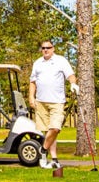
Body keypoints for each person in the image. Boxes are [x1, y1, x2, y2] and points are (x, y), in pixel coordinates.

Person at [28, 40, 79, 169]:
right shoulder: (37, 63)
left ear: (53, 48)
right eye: (43, 48)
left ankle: (42, 150)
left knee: (55, 129)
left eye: (48, 48)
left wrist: (73, 84)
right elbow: (32, 82)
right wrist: (31, 97)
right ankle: (54, 159)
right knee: (48, 132)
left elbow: (71, 75)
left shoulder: (61, 60)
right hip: (41, 101)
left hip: (57, 101)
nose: (45, 50)